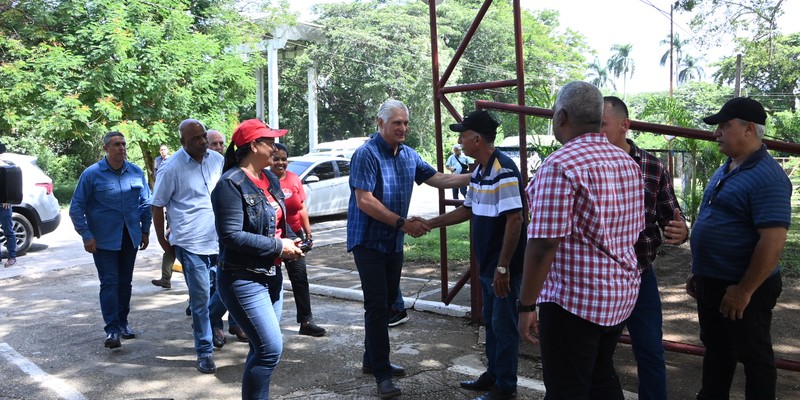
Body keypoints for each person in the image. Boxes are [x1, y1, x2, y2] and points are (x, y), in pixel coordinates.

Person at [517, 81, 644, 398]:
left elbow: (543, 243)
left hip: (575, 302)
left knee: (566, 389)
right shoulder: (627, 163)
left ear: (561, 116)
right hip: (619, 296)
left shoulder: (560, 165)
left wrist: (526, 304)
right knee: (601, 376)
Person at [347, 99, 470, 399]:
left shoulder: (409, 155)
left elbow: (439, 178)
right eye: (396, 123)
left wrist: (479, 176)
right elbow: (364, 200)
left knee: (387, 303)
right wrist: (402, 223)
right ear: (380, 123)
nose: (402, 128)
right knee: (377, 306)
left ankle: (371, 358)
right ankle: (382, 375)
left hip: (392, 242)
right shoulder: (366, 154)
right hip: (369, 241)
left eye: (405, 123)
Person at [686, 97, 791, 400]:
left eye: (724, 126)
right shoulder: (730, 166)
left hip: (744, 286)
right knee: (718, 348)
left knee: (754, 355)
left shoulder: (768, 177)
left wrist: (744, 290)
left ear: (749, 129)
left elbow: (772, 240)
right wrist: (700, 272)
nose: (716, 132)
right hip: (714, 281)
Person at [424, 110, 526, 400]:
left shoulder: (503, 170)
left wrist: (503, 267)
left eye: (463, 135)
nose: (460, 140)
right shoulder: (480, 171)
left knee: (504, 326)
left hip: (501, 265)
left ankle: (506, 386)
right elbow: (467, 210)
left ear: (477, 139)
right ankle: (494, 374)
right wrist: (430, 223)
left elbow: (515, 219)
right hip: (489, 264)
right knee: (492, 322)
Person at [600, 96, 689, 400]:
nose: (595, 132)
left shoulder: (651, 166)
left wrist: (680, 230)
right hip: (596, 279)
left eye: (602, 125)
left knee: (650, 350)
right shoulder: (585, 165)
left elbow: (671, 215)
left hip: (639, 275)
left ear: (624, 125)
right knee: (595, 356)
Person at [211, 119, 304, 400]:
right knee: (269, 349)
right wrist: (278, 246)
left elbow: (276, 221)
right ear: (253, 145)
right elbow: (230, 236)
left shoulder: (270, 179)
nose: (276, 147)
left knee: (261, 349)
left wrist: (293, 238)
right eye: (270, 141)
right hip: (242, 279)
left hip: (271, 276)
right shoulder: (230, 184)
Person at [151, 119, 224, 373]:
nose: (203, 141)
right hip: (190, 243)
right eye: (196, 139)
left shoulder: (217, 160)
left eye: (204, 136)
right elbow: (157, 204)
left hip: (220, 240)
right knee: (201, 297)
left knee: (226, 291)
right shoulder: (170, 168)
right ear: (183, 142)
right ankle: (204, 350)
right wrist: (162, 240)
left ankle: (210, 324)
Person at [69, 132, 152, 348]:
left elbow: (145, 203)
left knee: (125, 283)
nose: (121, 148)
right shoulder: (92, 174)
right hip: (103, 240)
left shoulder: (135, 172)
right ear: (106, 148)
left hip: (130, 237)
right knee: (109, 282)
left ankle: (123, 323)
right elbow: (76, 207)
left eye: (124, 144)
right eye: (116, 144)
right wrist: (86, 235)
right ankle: (112, 330)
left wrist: (145, 230)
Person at [270, 142, 327, 337]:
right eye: (276, 158)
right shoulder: (264, 180)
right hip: (272, 236)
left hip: (295, 235)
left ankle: (306, 321)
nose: (280, 162)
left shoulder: (294, 179)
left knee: (300, 279)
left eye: (284, 159)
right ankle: (267, 326)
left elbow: (301, 207)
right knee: (270, 279)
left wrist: (308, 233)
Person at [0, 142, 17, 267]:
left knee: (8, 231)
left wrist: (9, 200)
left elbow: (14, 186)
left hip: (3, 205)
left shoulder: (7, 167)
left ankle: (12, 256)